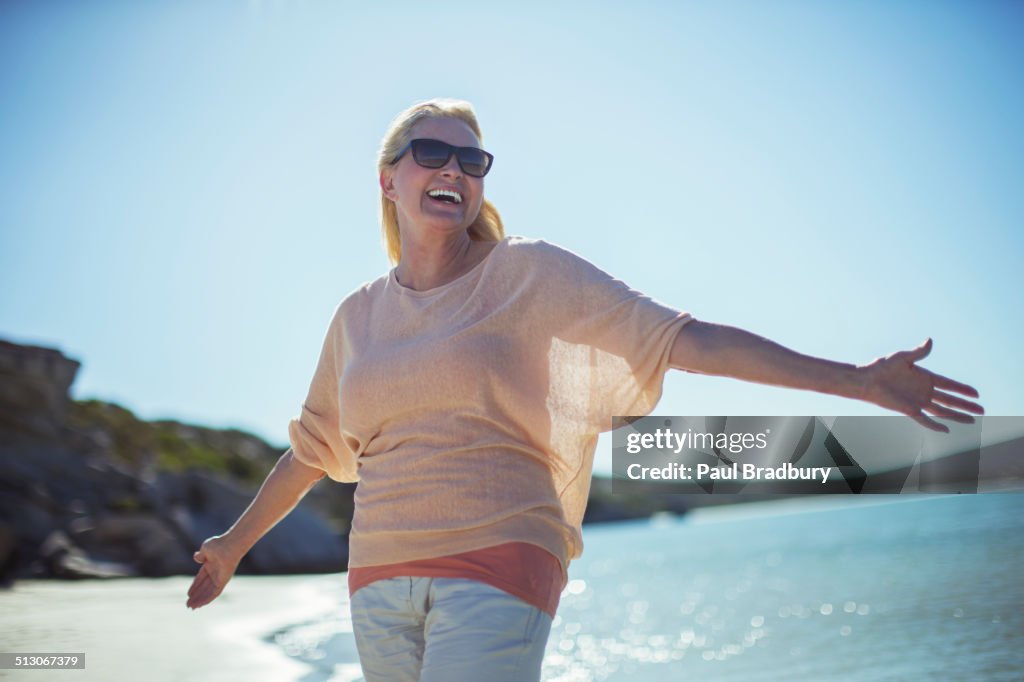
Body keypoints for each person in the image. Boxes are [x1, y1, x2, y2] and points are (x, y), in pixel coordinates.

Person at [185, 98, 983, 681]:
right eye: (433, 152)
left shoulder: (529, 274)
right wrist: (231, 546)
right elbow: (313, 450)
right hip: (377, 577)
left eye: (473, 161)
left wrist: (854, 380)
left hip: (501, 553)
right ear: (388, 180)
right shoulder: (356, 316)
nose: (455, 171)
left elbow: (684, 339)